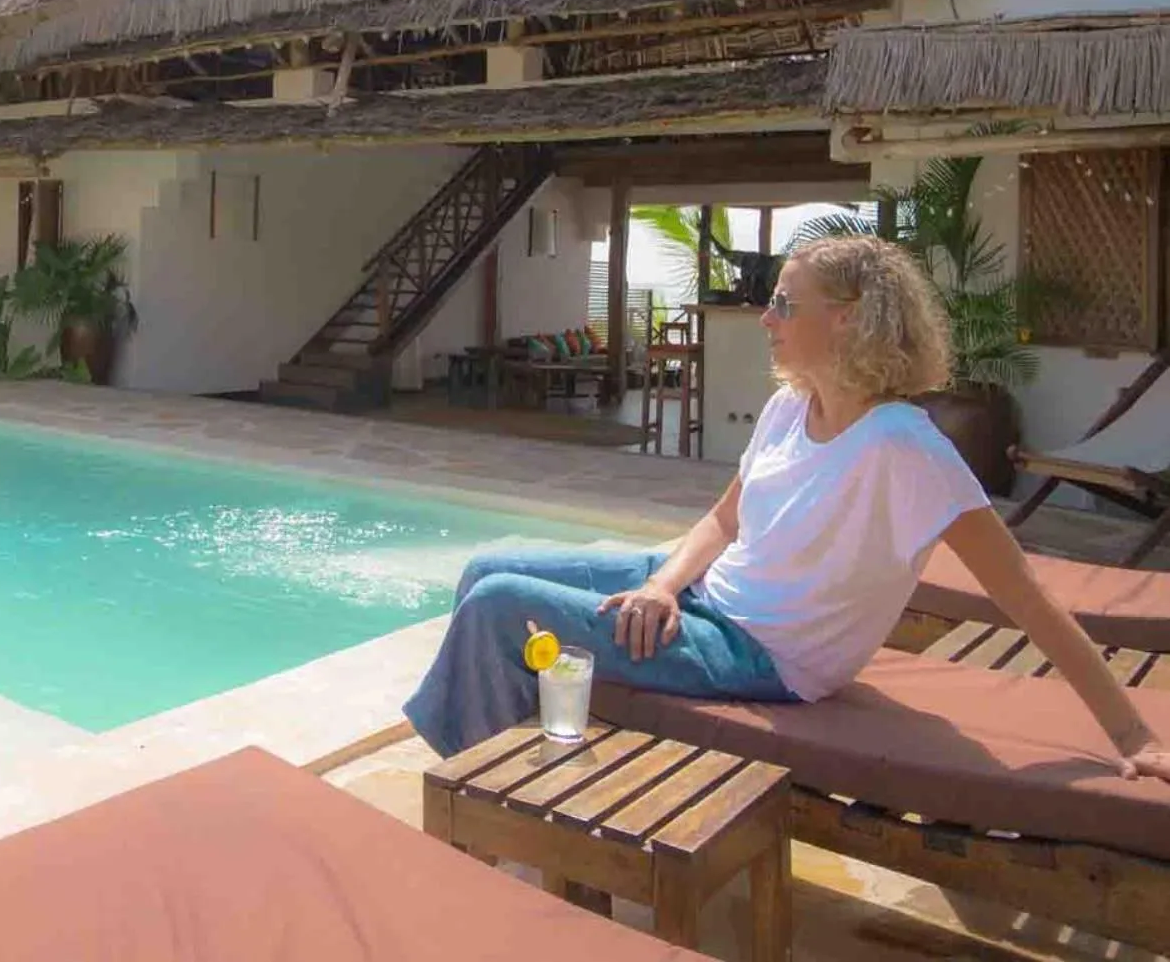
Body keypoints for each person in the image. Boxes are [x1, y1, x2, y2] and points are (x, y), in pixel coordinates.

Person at [405, 235, 1170, 784]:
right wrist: (663, 583)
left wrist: (1131, 731)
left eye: (782, 302)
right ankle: (501, 758)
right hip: (702, 594)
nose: (765, 317)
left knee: (500, 604)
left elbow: (1024, 595)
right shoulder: (787, 407)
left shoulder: (902, 447)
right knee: (486, 565)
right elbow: (723, 519)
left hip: (760, 651)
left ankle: (476, 786)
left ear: (847, 317)